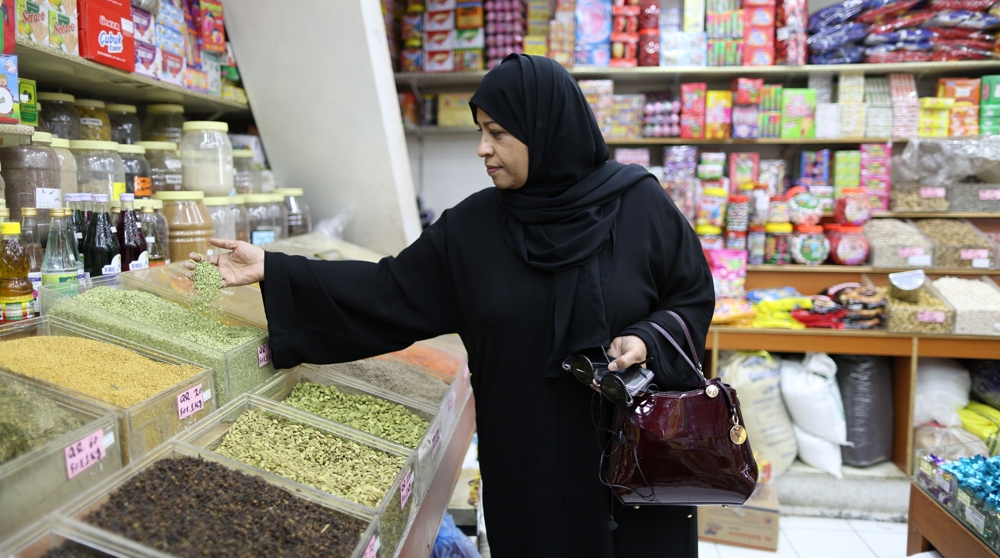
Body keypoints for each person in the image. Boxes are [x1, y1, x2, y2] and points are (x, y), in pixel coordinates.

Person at [189, 54, 714, 557]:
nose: (483, 149)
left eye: (499, 134)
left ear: (547, 131)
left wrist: (648, 337)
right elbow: (388, 292)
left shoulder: (640, 205)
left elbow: (690, 294)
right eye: (480, 132)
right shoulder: (472, 231)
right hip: (530, 470)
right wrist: (277, 269)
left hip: (638, 462)